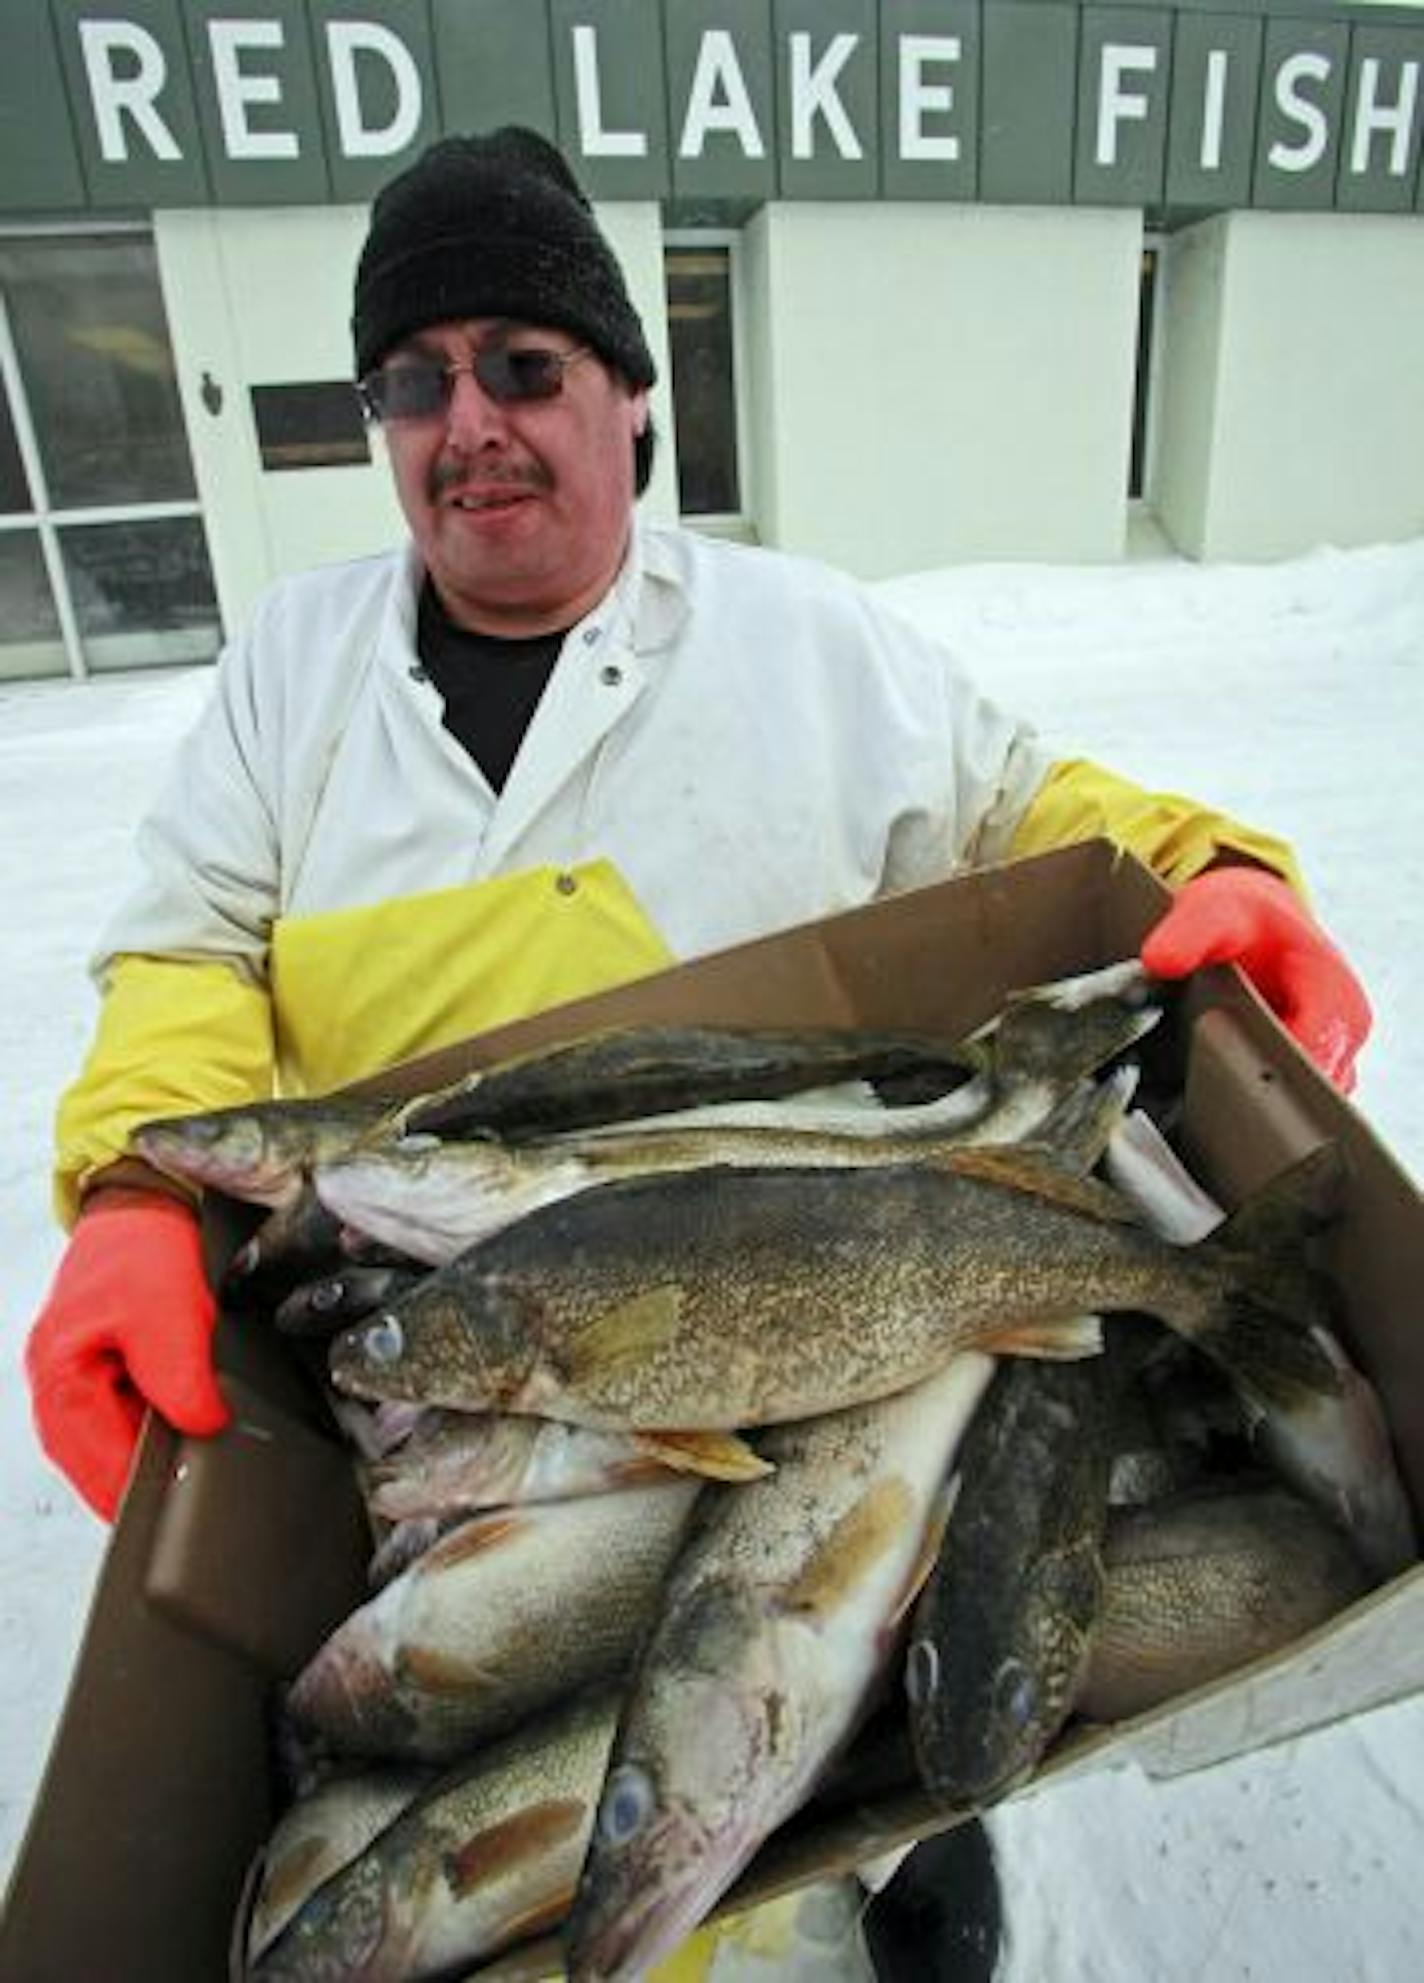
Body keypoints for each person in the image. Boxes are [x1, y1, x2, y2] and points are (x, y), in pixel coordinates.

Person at [23, 125, 1369, 1981]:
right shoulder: (290, 669)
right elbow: (188, 941)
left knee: (819, 1723)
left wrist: (1219, 867)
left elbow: (1028, 807)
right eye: (413, 381)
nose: (467, 420)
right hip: (467, 1384)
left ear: (632, 402)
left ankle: (884, 1858)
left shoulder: (807, 647)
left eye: (524, 366)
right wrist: (126, 1194)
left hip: (806, 1298)